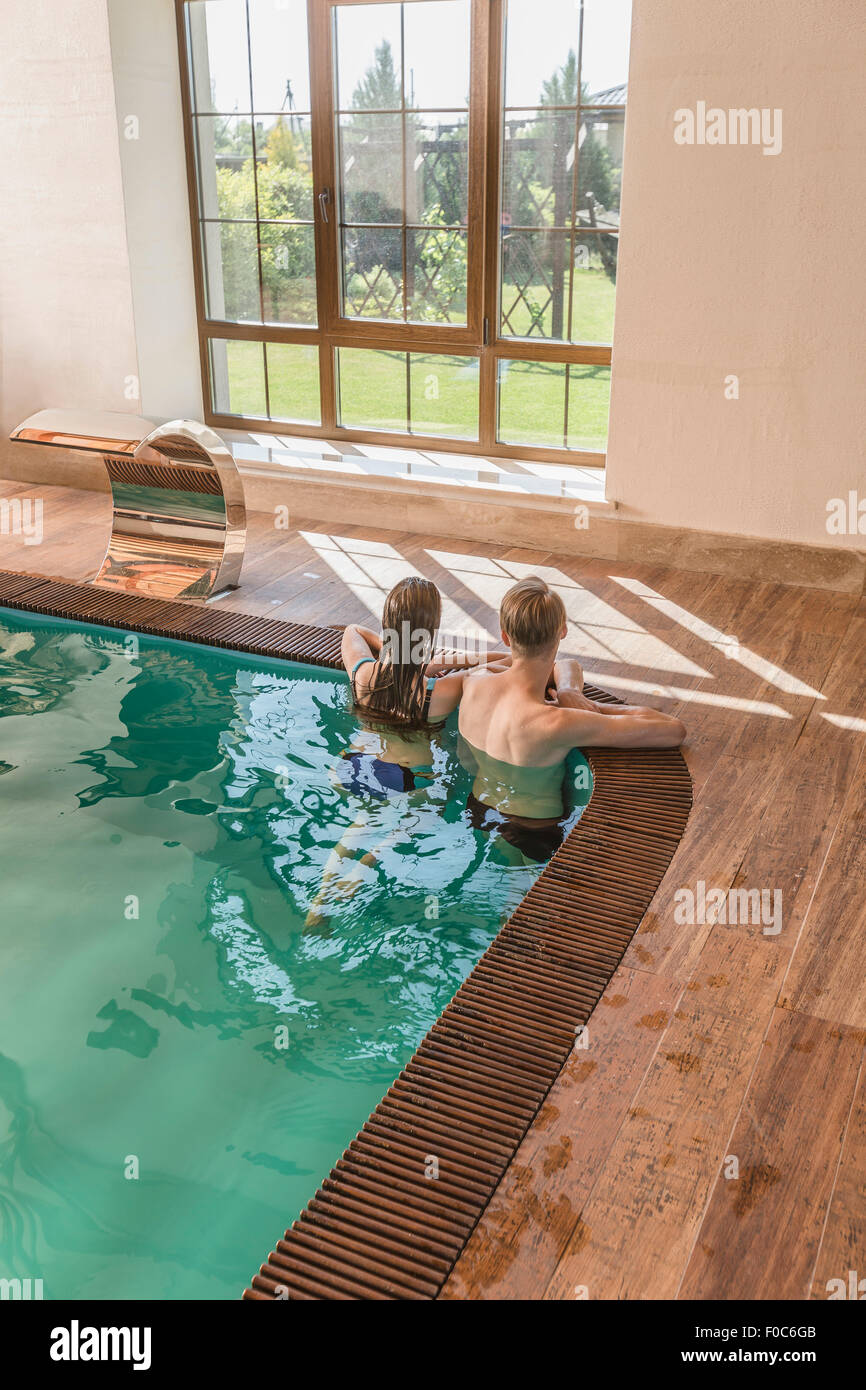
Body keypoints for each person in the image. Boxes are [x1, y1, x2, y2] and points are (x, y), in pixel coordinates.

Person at [457, 575, 686, 863]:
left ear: (505, 636)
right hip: (535, 829)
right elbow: (673, 730)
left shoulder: (474, 683)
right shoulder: (559, 723)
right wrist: (585, 705)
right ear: (563, 630)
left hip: (479, 808)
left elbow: (564, 666)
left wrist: (568, 690)